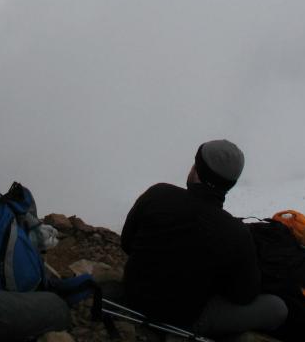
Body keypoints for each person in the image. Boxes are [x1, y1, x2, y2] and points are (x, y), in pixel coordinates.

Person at [120, 139, 287, 338]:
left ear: (196, 170)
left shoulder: (158, 193)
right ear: (230, 184)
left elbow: (127, 243)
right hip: (185, 319)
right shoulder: (236, 232)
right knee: (276, 308)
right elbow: (244, 295)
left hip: (132, 297)